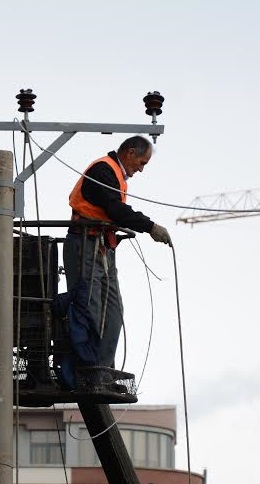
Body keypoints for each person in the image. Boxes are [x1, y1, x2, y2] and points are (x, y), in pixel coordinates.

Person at [63, 136, 172, 369]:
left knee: (113, 311)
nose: (141, 170)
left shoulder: (114, 174)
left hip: (102, 247)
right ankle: (87, 369)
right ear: (130, 153)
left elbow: (114, 210)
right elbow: (115, 209)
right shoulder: (104, 170)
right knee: (89, 307)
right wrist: (150, 227)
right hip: (85, 244)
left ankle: (103, 369)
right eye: (142, 163)